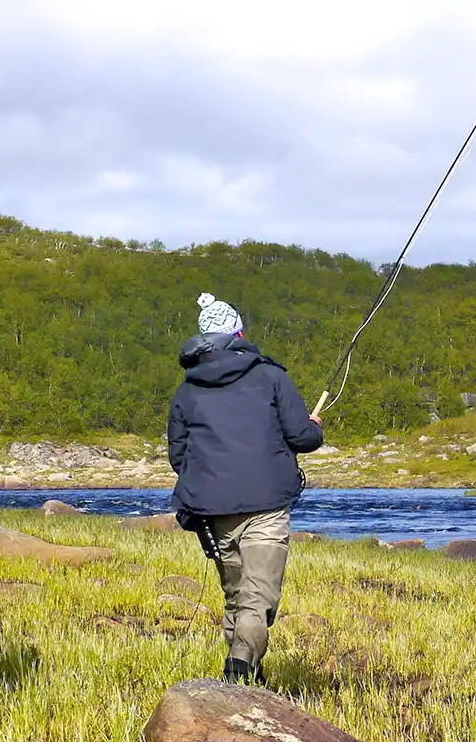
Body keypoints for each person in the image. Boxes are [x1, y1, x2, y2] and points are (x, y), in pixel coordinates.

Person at [169, 293, 324, 685]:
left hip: (212, 510)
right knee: (257, 598)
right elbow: (303, 438)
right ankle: (239, 667)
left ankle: (247, 682)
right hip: (267, 504)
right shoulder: (272, 376)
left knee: (237, 597)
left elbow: (178, 456)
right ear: (238, 333)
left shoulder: (187, 391)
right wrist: (315, 426)